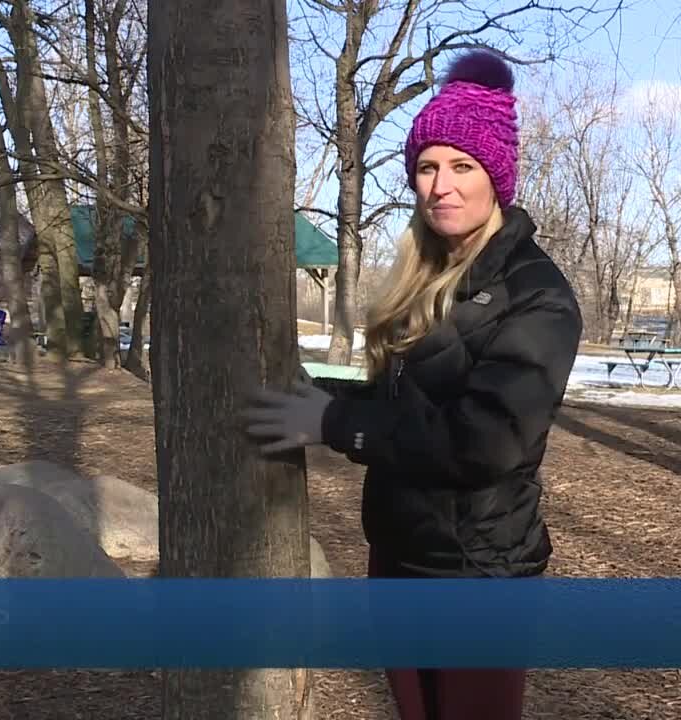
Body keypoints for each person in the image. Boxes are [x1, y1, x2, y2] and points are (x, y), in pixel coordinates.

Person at [241, 48, 583, 720]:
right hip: (399, 558)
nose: (441, 185)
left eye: (462, 166)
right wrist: (318, 397)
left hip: (478, 578)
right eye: (427, 167)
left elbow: (483, 443)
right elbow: (406, 406)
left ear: (497, 179)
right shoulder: (420, 283)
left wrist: (334, 426)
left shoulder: (537, 298)